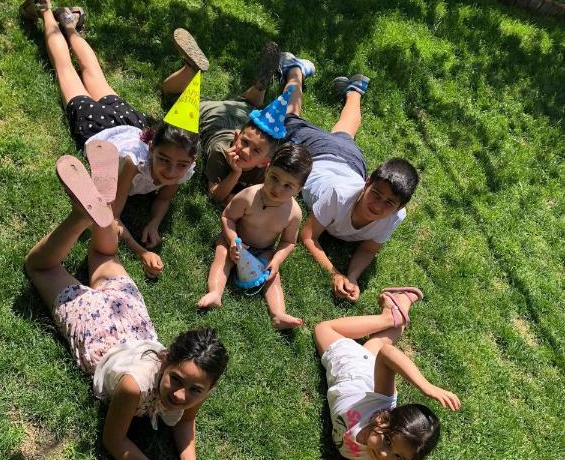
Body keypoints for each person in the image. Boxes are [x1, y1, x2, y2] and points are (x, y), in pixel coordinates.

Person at [24, 153, 228, 460]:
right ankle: (80, 215)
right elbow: (114, 440)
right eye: (176, 380)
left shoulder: (197, 382)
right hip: (95, 326)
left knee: (105, 256)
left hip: (131, 315)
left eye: (194, 391)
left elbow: (186, 420)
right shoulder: (134, 388)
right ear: (165, 359)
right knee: (39, 267)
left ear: (208, 388)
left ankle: (104, 205)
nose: (180, 396)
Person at [21, 0, 201, 249]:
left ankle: (70, 26)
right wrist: (139, 251)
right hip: (97, 130)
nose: (171, 172)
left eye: (181, 165)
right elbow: (110, 216)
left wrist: (154, 223)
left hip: (128, 121)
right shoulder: (133, 162)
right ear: (151, 148)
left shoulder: (184, 168)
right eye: (164, 160)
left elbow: (164, 199)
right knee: (66, 69)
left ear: (191, 161)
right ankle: (45, 9)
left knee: (92, 71)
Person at [305, 287, 460, 460]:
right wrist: (424, 386)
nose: (385, 455)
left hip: (367, 368)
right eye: (387, 441)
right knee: (324, 329)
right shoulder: (381, 402)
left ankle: (401, 305)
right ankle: (389, 317)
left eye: (398, 457)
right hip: (349, 366)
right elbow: (388, 354)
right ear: (382, 418)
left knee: (373, 348)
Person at [280, 56, 420, 302]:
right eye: (376, 194)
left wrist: (353, 276)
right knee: (288, 118)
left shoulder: (397, 216)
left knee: (345, 132)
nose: (377, 205)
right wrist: (334, 273)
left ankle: (355, 89)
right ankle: (295, 69)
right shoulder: (339, 194)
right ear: (367, 183)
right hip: (319, 153)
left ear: (400, 207)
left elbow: (368, 248)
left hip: (351, 161)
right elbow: (309, 236)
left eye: (389, 203)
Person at [162, 41, 312, 205]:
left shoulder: (270, 172)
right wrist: (235, 173)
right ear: (236, 137)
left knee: (247, 105)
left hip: (244, 116)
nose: (245, 151)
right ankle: (190, 68)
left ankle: (259, 89)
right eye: (244, 142)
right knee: (172, 96)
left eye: (255, 151)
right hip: (212, 115)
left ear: (264, 162)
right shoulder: (220, 150)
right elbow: (215, 196)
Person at [197, 143, 313, 330]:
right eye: (274, 178)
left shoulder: (294, 213)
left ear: (299, 189)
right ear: (267, 170)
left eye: (288, 186)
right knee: (222, 257)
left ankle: (278, 314)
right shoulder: (249, 196)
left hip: (264, 250)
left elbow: (288, 241)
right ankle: (215, 293)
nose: (278, 188)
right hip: (235, 242)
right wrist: (233, 239)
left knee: (273, 277)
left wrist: (276, 260)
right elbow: (227, 217)